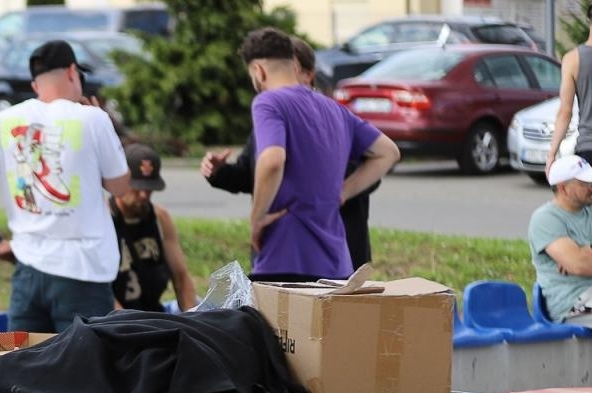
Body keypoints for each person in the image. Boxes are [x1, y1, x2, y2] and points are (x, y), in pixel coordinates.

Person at [0, 39, 130, 332]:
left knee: (26, 369)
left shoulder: (5, 120)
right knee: (85, 370)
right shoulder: (93, 119)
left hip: (28, 272)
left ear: (36, 86)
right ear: (73, 73)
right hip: (83, 270)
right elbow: (120, 186)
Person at [239, 28, 399, 282]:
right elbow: (388, 152)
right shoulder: (334, 109)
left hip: (284, 256)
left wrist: (257, 219)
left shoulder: (268, 102)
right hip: (336, 262)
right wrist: (343, 192)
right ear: (294, 64)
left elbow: (272, 161)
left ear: (258, 71)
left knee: (276, 324)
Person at [201, 37, 375, 270]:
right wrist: (219, 172)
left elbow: (273, 162)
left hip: (325, 249)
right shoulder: (277, 117)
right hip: (296, 250)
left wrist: (341, 191)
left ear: (306, 73)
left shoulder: (324, 113)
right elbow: (251, 173)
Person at [110, 144, 196, 312]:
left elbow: (181, 277)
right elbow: (100, 291)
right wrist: (126, 326)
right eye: (137, 187)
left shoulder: (160, 217)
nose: (144, 195)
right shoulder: (104, 219)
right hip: (116, 319)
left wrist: (192, 319)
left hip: (154, 314)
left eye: (149, 189)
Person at [530, 154, 592, 333]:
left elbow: (579, 262)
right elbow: (579, 265)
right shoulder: (545, 219)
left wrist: (591, 250)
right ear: (564, 188)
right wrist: (584, 257)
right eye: (586, 184)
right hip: (574, 301)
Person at [549, 2, 592, 205]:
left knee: (589, 215)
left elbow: (565, 113)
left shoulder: (572, 59)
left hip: (589, 150)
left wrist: (551, 154)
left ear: (589, 21)